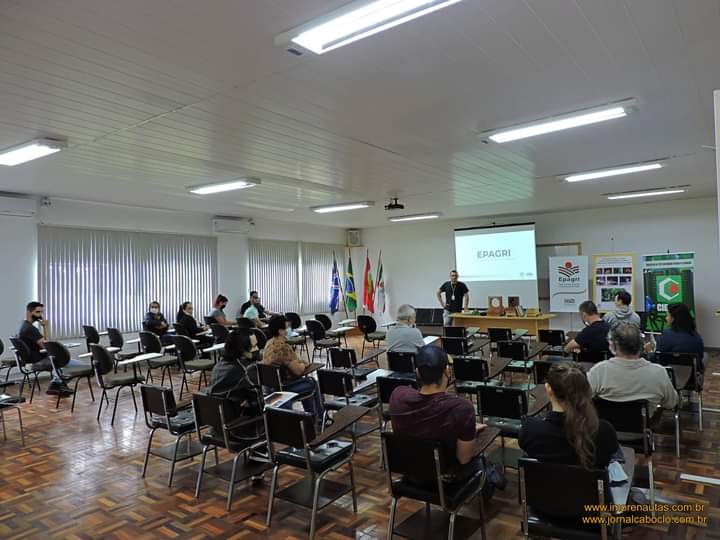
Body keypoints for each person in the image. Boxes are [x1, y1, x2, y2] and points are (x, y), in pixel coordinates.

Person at [389, 346, 501, 491]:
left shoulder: (398, 396)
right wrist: (468, 432)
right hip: (447, 482)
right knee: (479, 460)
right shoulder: (461, 408)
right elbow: (463, 459)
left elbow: (419, 425)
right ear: (447, 372)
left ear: (417, 372)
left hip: (410, 476)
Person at [519, 362, 620, 469]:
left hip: (545, 485)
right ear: (586, 390)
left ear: (548, 389)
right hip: (588, 486)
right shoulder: (605, 432)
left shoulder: (530, 431)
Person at [588, 323, 678, 415]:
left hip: (606, 426)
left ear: (614, 345)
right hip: (644, 426)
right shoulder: (659, 372)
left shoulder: (599, 371)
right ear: (641, 345)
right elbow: (671, 403)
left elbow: (583, 397)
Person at [17, 302, 86, 397]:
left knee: (71, 364)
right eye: (37, 312)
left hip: (34, 358)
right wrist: (46, 327)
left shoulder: (22, 325)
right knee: (80, 366)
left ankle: (58, 385)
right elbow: (47, 346)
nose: (40, 315)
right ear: (29, 312)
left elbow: (45, 344)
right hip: (39, 359)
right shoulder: (31, 329)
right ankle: (56, 385)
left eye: (41, 312)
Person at [262, 315, 323, 416]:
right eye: (287, 327)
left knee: (306, 381)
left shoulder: (269, 343)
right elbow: (298, 371)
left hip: (270, 388)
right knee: (312, 382)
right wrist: (305, 364)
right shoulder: (283, 347)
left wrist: (299, 362)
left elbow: (292, 361)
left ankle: (312, 415)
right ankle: (320, 416)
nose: (288, 330)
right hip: (283, 388)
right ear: (280, 331)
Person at [208, 330, 263, 419]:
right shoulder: (246, 370)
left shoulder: (218, 365)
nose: (257, 349)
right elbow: (259, 400)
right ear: (241, 348)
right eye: (253, 346)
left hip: (218, 421)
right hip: (242, 424)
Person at [648, 303, 705, 372]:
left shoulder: (666, 335)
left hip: (669, 376)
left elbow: (657, 358)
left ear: (673, 319)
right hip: (692, 378)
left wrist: (649, 353)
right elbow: (700, 357)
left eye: (667, 315)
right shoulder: (696, 336)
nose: (666, 318)